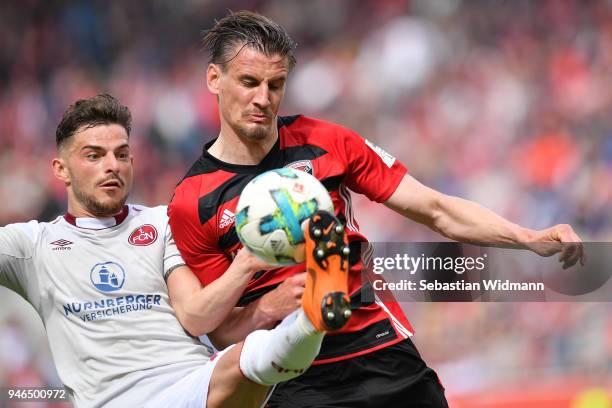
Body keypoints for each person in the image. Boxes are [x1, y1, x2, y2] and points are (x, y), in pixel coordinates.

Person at [168, 11, 585, 408]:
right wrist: (267, 307)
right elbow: (217, 330)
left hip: (380, 349)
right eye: (248, 82)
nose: (263, 98)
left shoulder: (327, 141)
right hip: (292, 380)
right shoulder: (192, 201)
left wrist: (527, 237)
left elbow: (435, 209)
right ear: (214, 79)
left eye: (275, 85)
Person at [0, 94, 351, 408]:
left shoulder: (161, 223)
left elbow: (195, 316)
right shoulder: (32, 245)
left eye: (122, 155)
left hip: (192, 381)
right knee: (249, 361)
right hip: (119, 399)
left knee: (249, 356)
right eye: (94, 155)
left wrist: (246, 270)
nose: (112, 166)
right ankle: (311, 319)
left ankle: (315, 313)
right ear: (61, 169)